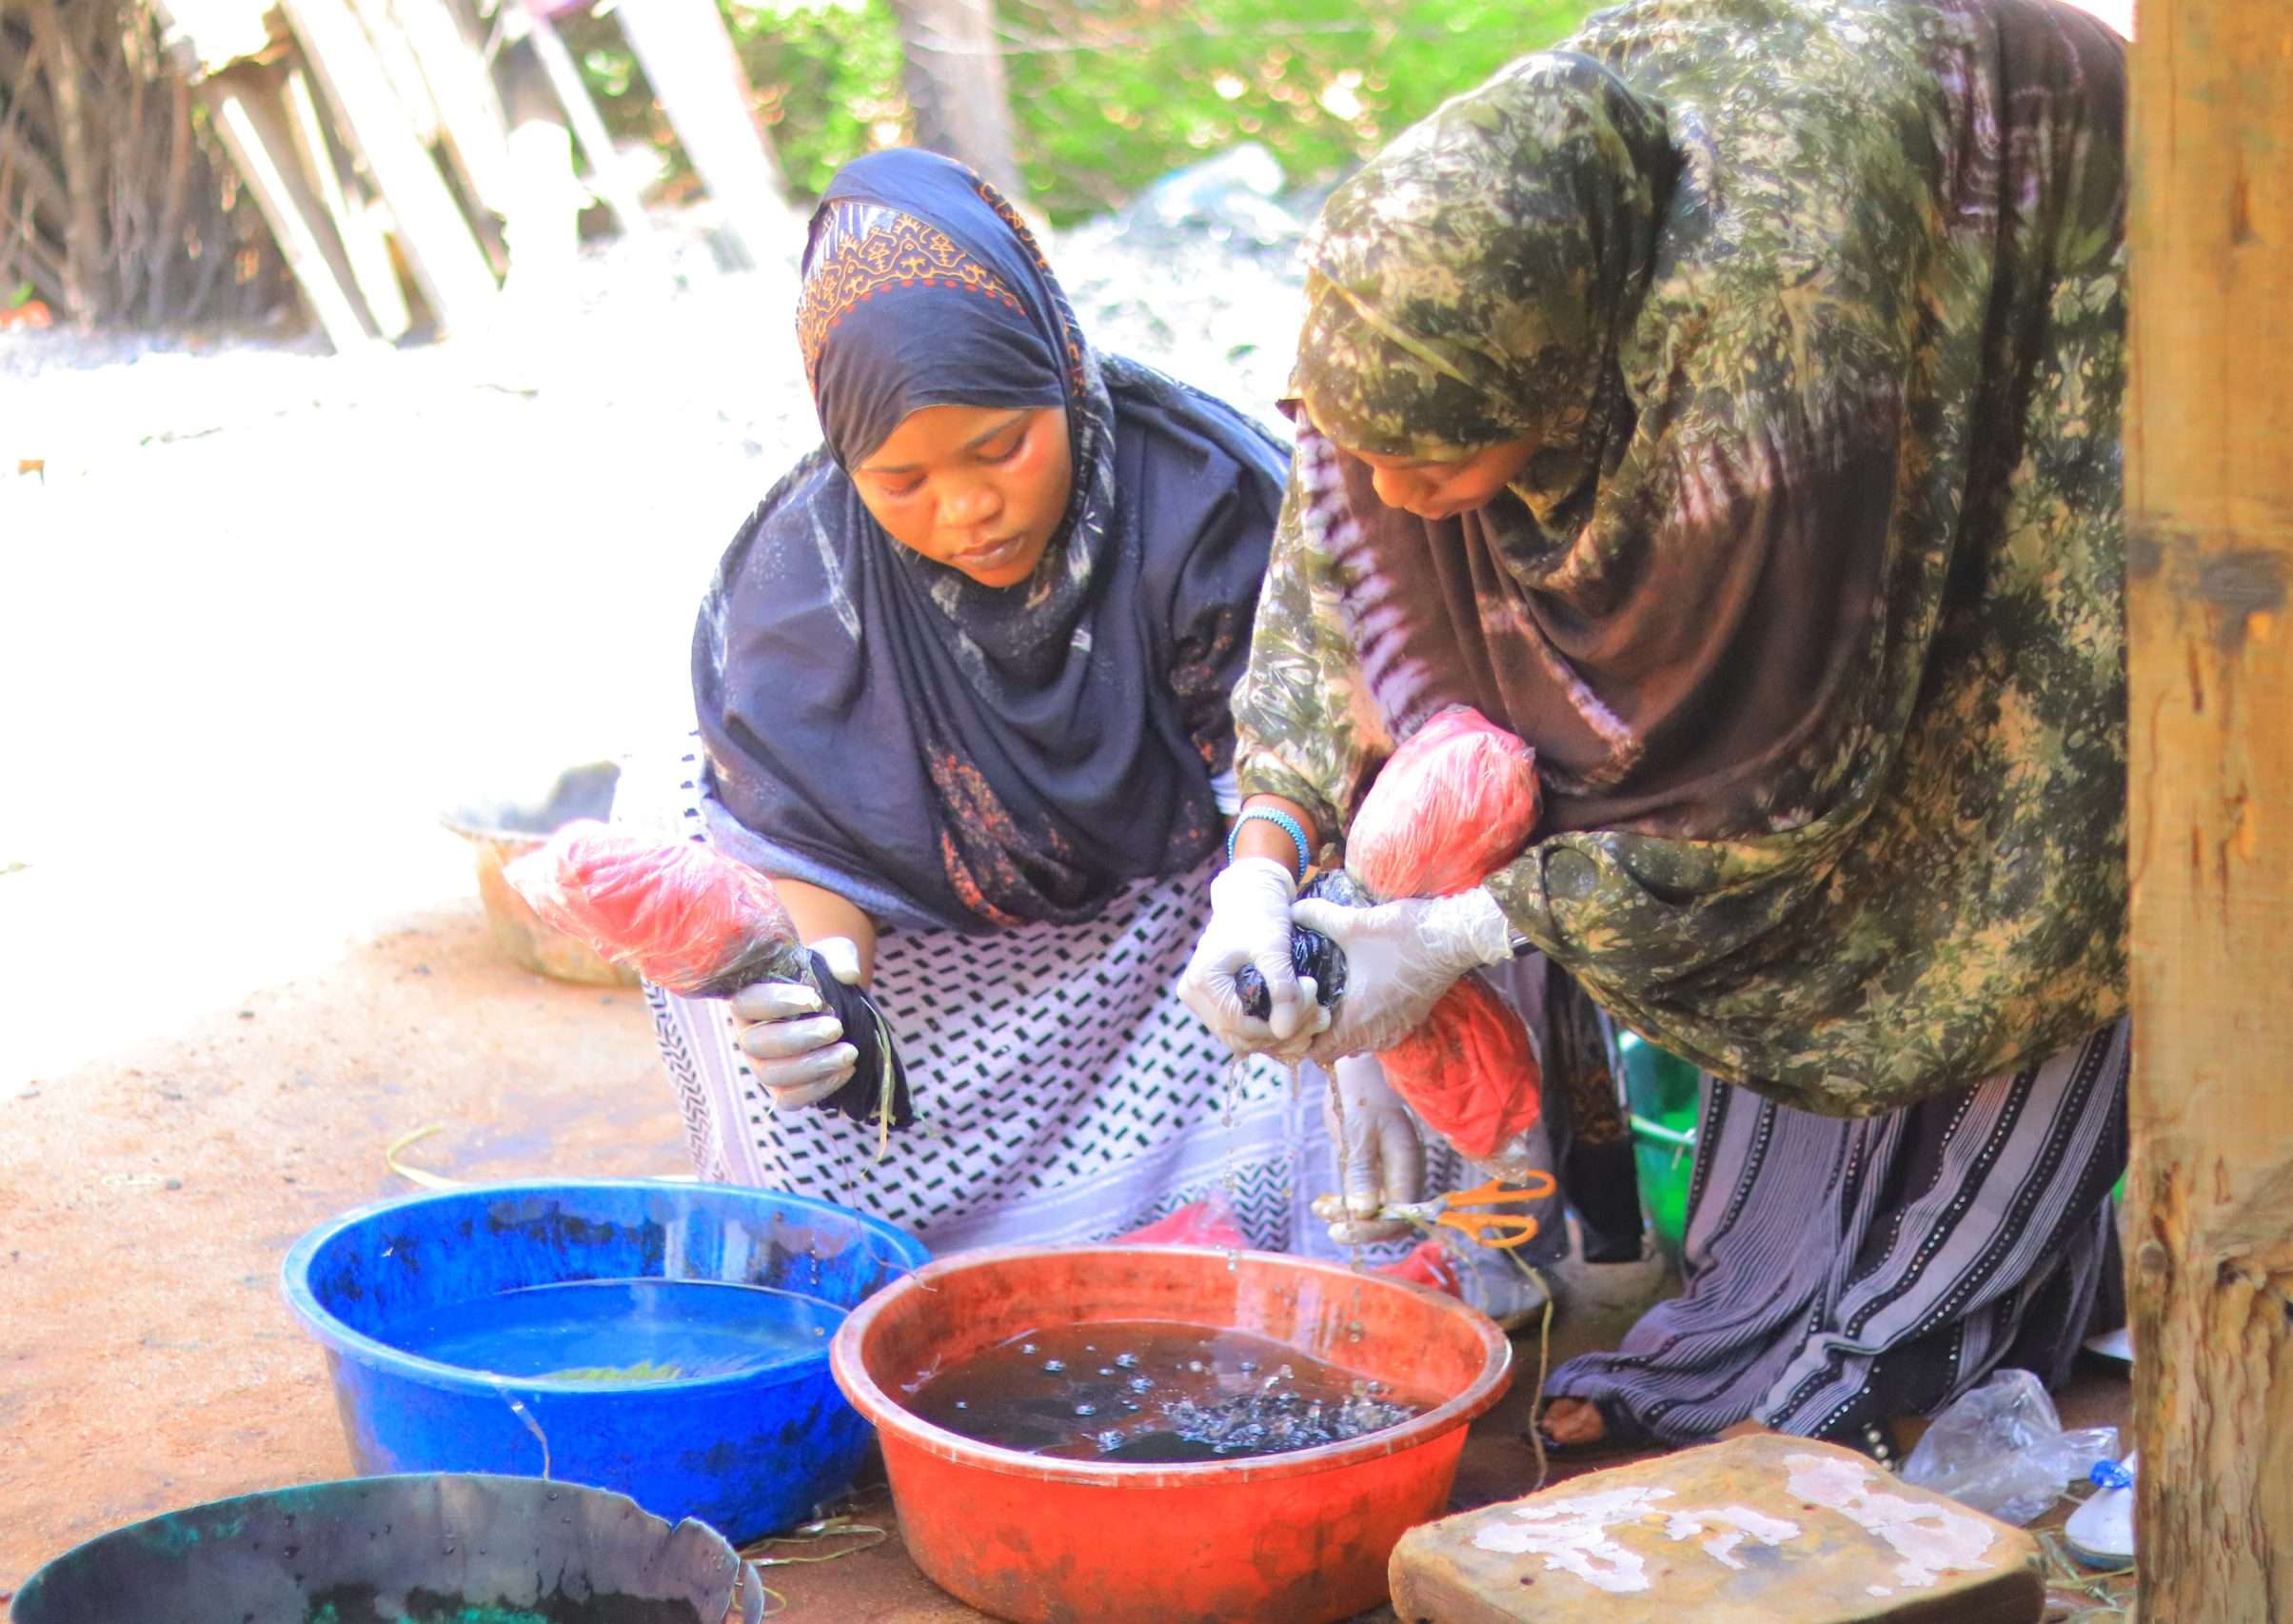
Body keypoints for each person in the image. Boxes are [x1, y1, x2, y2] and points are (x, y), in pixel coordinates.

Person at [1181, 0, 2131, 1463]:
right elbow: (1339, 564)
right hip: (1818, 262)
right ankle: (1754, 1303)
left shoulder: (1770, 352)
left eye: (1440, 460)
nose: (1403, 494)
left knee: (1992, 839)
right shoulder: (1450, 285)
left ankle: (1900, 1327)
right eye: (1372, 448)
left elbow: (1770, 781)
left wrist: (1451, 933)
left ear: (1570, 384)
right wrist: (1269, 867)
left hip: (2041, 291)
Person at [615, 149, 1496, 1264]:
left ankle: (1345, 1238)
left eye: (1000, 447)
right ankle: (871, 1276)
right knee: (667, 801)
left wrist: (1337, 961)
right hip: (951, 993)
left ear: (1063, 368)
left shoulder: (1203, 505)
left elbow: (1330, 756)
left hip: (1204, 935)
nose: (966, 508)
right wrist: (812, 977)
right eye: (901, 480)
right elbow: (803, 827)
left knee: (1457, 775)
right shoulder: (803, 591)